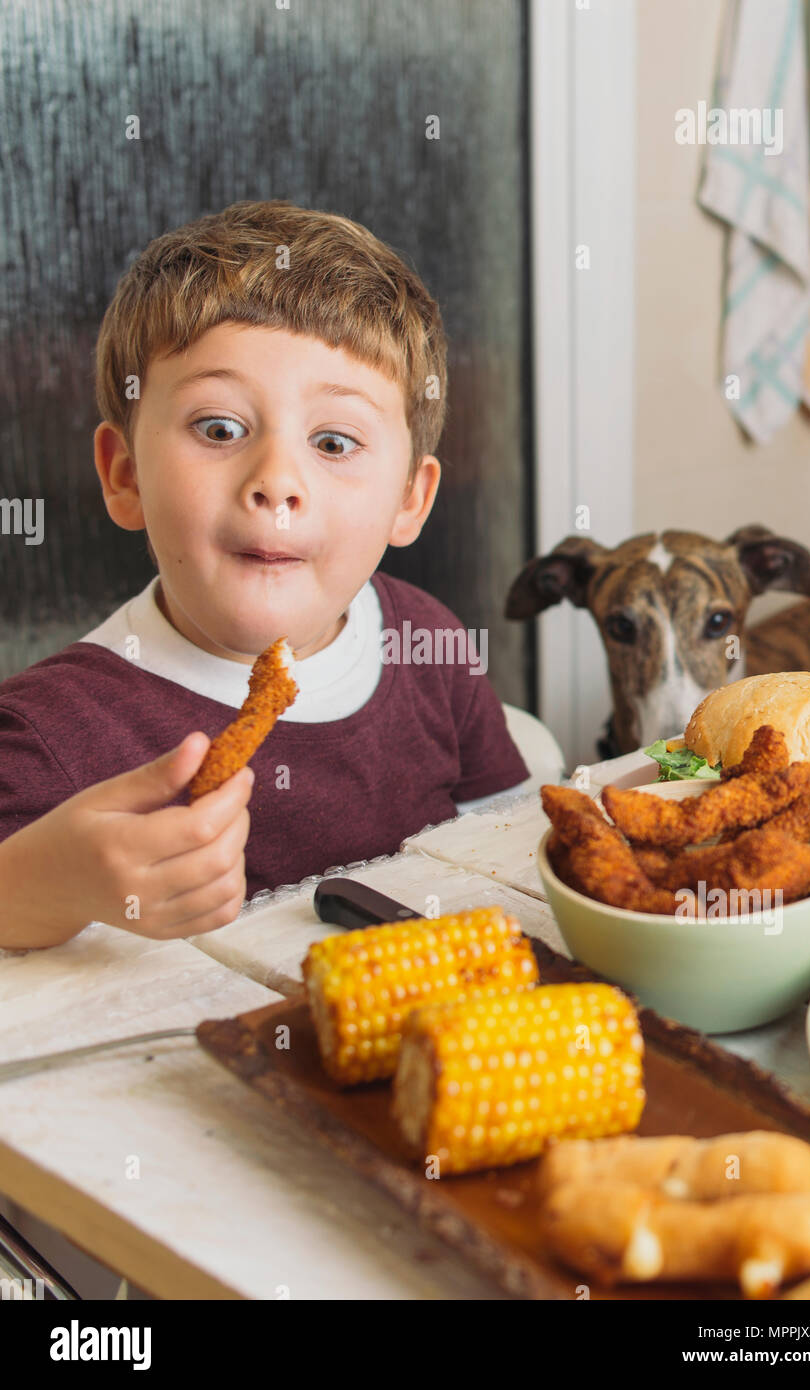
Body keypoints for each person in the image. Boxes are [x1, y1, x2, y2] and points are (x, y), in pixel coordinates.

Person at [0, 200, 530, 949]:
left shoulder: (429, 646)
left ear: (409, 500)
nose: (277, 480)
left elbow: (513, 854)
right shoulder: (43, 733)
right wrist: (36, 885)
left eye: (335, 442)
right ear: (124, 475)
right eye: (219, 428)